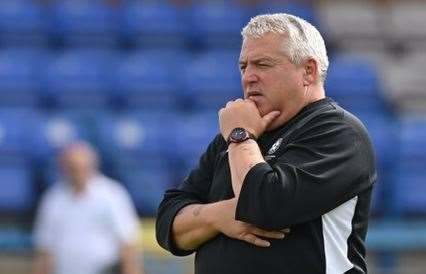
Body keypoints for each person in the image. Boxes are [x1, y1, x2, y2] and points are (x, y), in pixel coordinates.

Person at [156, 13, 376, 274]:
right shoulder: (237, 137)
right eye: (243, 66)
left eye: (262, 64)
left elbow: (263, 207)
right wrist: (218, 216)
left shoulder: (341, 133)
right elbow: (168, 223)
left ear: (308, 71)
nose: (248, 77)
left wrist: (239, 134)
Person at [33, 141, 144, 274]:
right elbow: (45, 250)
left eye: (82, 167)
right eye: (73, 167)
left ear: (93, 165)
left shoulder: (112, 194)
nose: (78, 172)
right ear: (64, 168)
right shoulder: (53, 199)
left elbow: (128, 244)